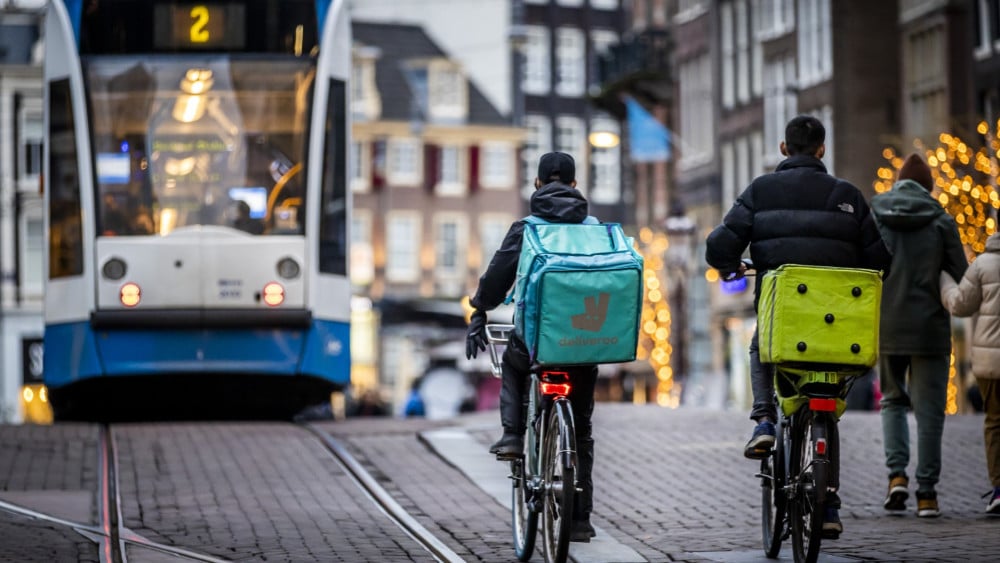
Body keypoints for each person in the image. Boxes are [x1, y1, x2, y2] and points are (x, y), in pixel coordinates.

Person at [705, 115, 892, 537]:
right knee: (828, 403)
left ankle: (764, 422)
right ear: (822, 150)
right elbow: (881, 260)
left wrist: (729, 266)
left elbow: (719, 244)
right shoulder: (849, 195)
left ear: (783, 149)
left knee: (760, 348)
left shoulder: (761, 190)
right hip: (837, 327)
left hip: (782, 318)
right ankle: (829, 507)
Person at [465, 151, 599, 543]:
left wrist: (479, 310)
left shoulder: (526, 228)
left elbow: (496, 279)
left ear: (537, 185)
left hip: (537, 342)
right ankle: (580, 521)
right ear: (574, 186)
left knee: (513, 362)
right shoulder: (594, 228)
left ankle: (511, 435)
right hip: (582, 343)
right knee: (584, 431)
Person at [870, 153, 968, 518]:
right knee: (930, 413)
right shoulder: (941, 220)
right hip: (929, 328)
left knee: (892, 401)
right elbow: (961, 273)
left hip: (887, 325)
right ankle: (927, 494)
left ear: (897, 183)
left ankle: (896, 477)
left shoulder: (876, 215)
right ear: (928, 187)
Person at [939, 232, 1000, 514]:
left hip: (991, 362)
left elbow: (960, 304)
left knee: (995, 422)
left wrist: (944, 281)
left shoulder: (984, 264)